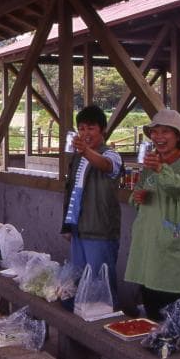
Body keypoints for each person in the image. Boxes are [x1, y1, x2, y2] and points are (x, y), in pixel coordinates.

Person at [124, 109, 180, 321]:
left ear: (178, 136)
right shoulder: (151, 164)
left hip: (170, 243)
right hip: (147, 244)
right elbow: (137, 193)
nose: (158, 137)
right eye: (155, 132)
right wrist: (137, 197)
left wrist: (160, 169)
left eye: (165, 131)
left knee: (171, 313)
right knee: (149, 306)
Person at [60, 106, 124, 308]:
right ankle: (80, 324)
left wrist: (86, 151)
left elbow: (107, 166)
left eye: (91, 128)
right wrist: (68, 225)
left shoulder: (111, 155)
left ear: (102, 130)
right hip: (78, 230)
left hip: (100, 232)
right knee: (80, 283)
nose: (85, 133)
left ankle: (105, 324)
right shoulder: (78, 158)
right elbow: (72, 192)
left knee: (101, 285)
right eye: (81, 128)